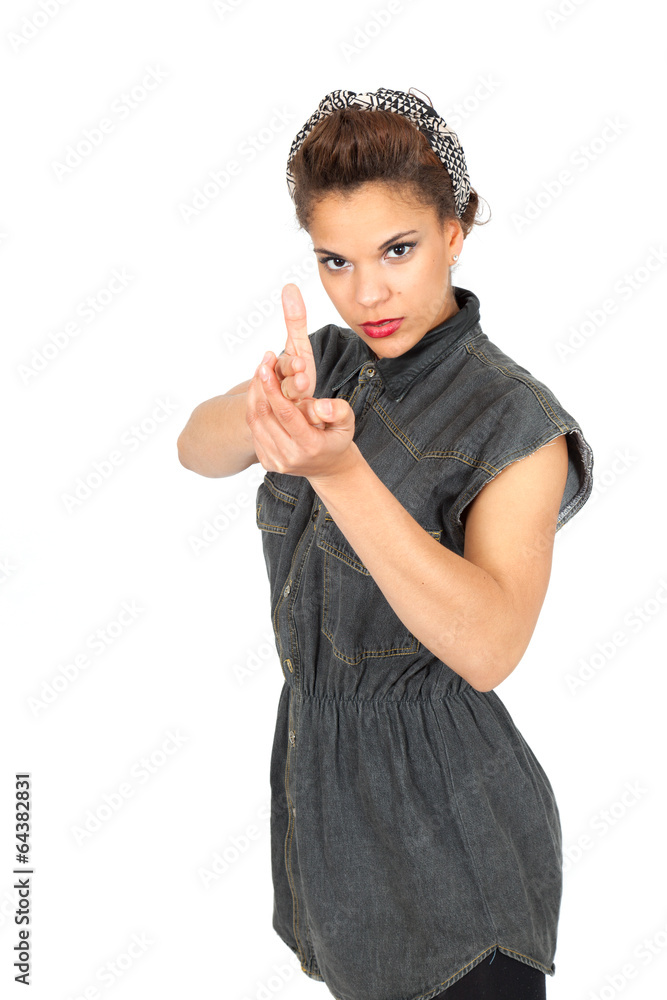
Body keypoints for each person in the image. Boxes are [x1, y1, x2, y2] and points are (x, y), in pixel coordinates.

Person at [177, 88, 594, 1000]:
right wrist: (264, 410)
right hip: (330, 828)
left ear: (454, 231)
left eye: (396, 250)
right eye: (336, 260)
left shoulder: (516, 423)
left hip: (457, 848)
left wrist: (338, 471)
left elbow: (490, 648)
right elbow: (194, 450)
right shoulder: (328, 363)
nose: (365, 293)